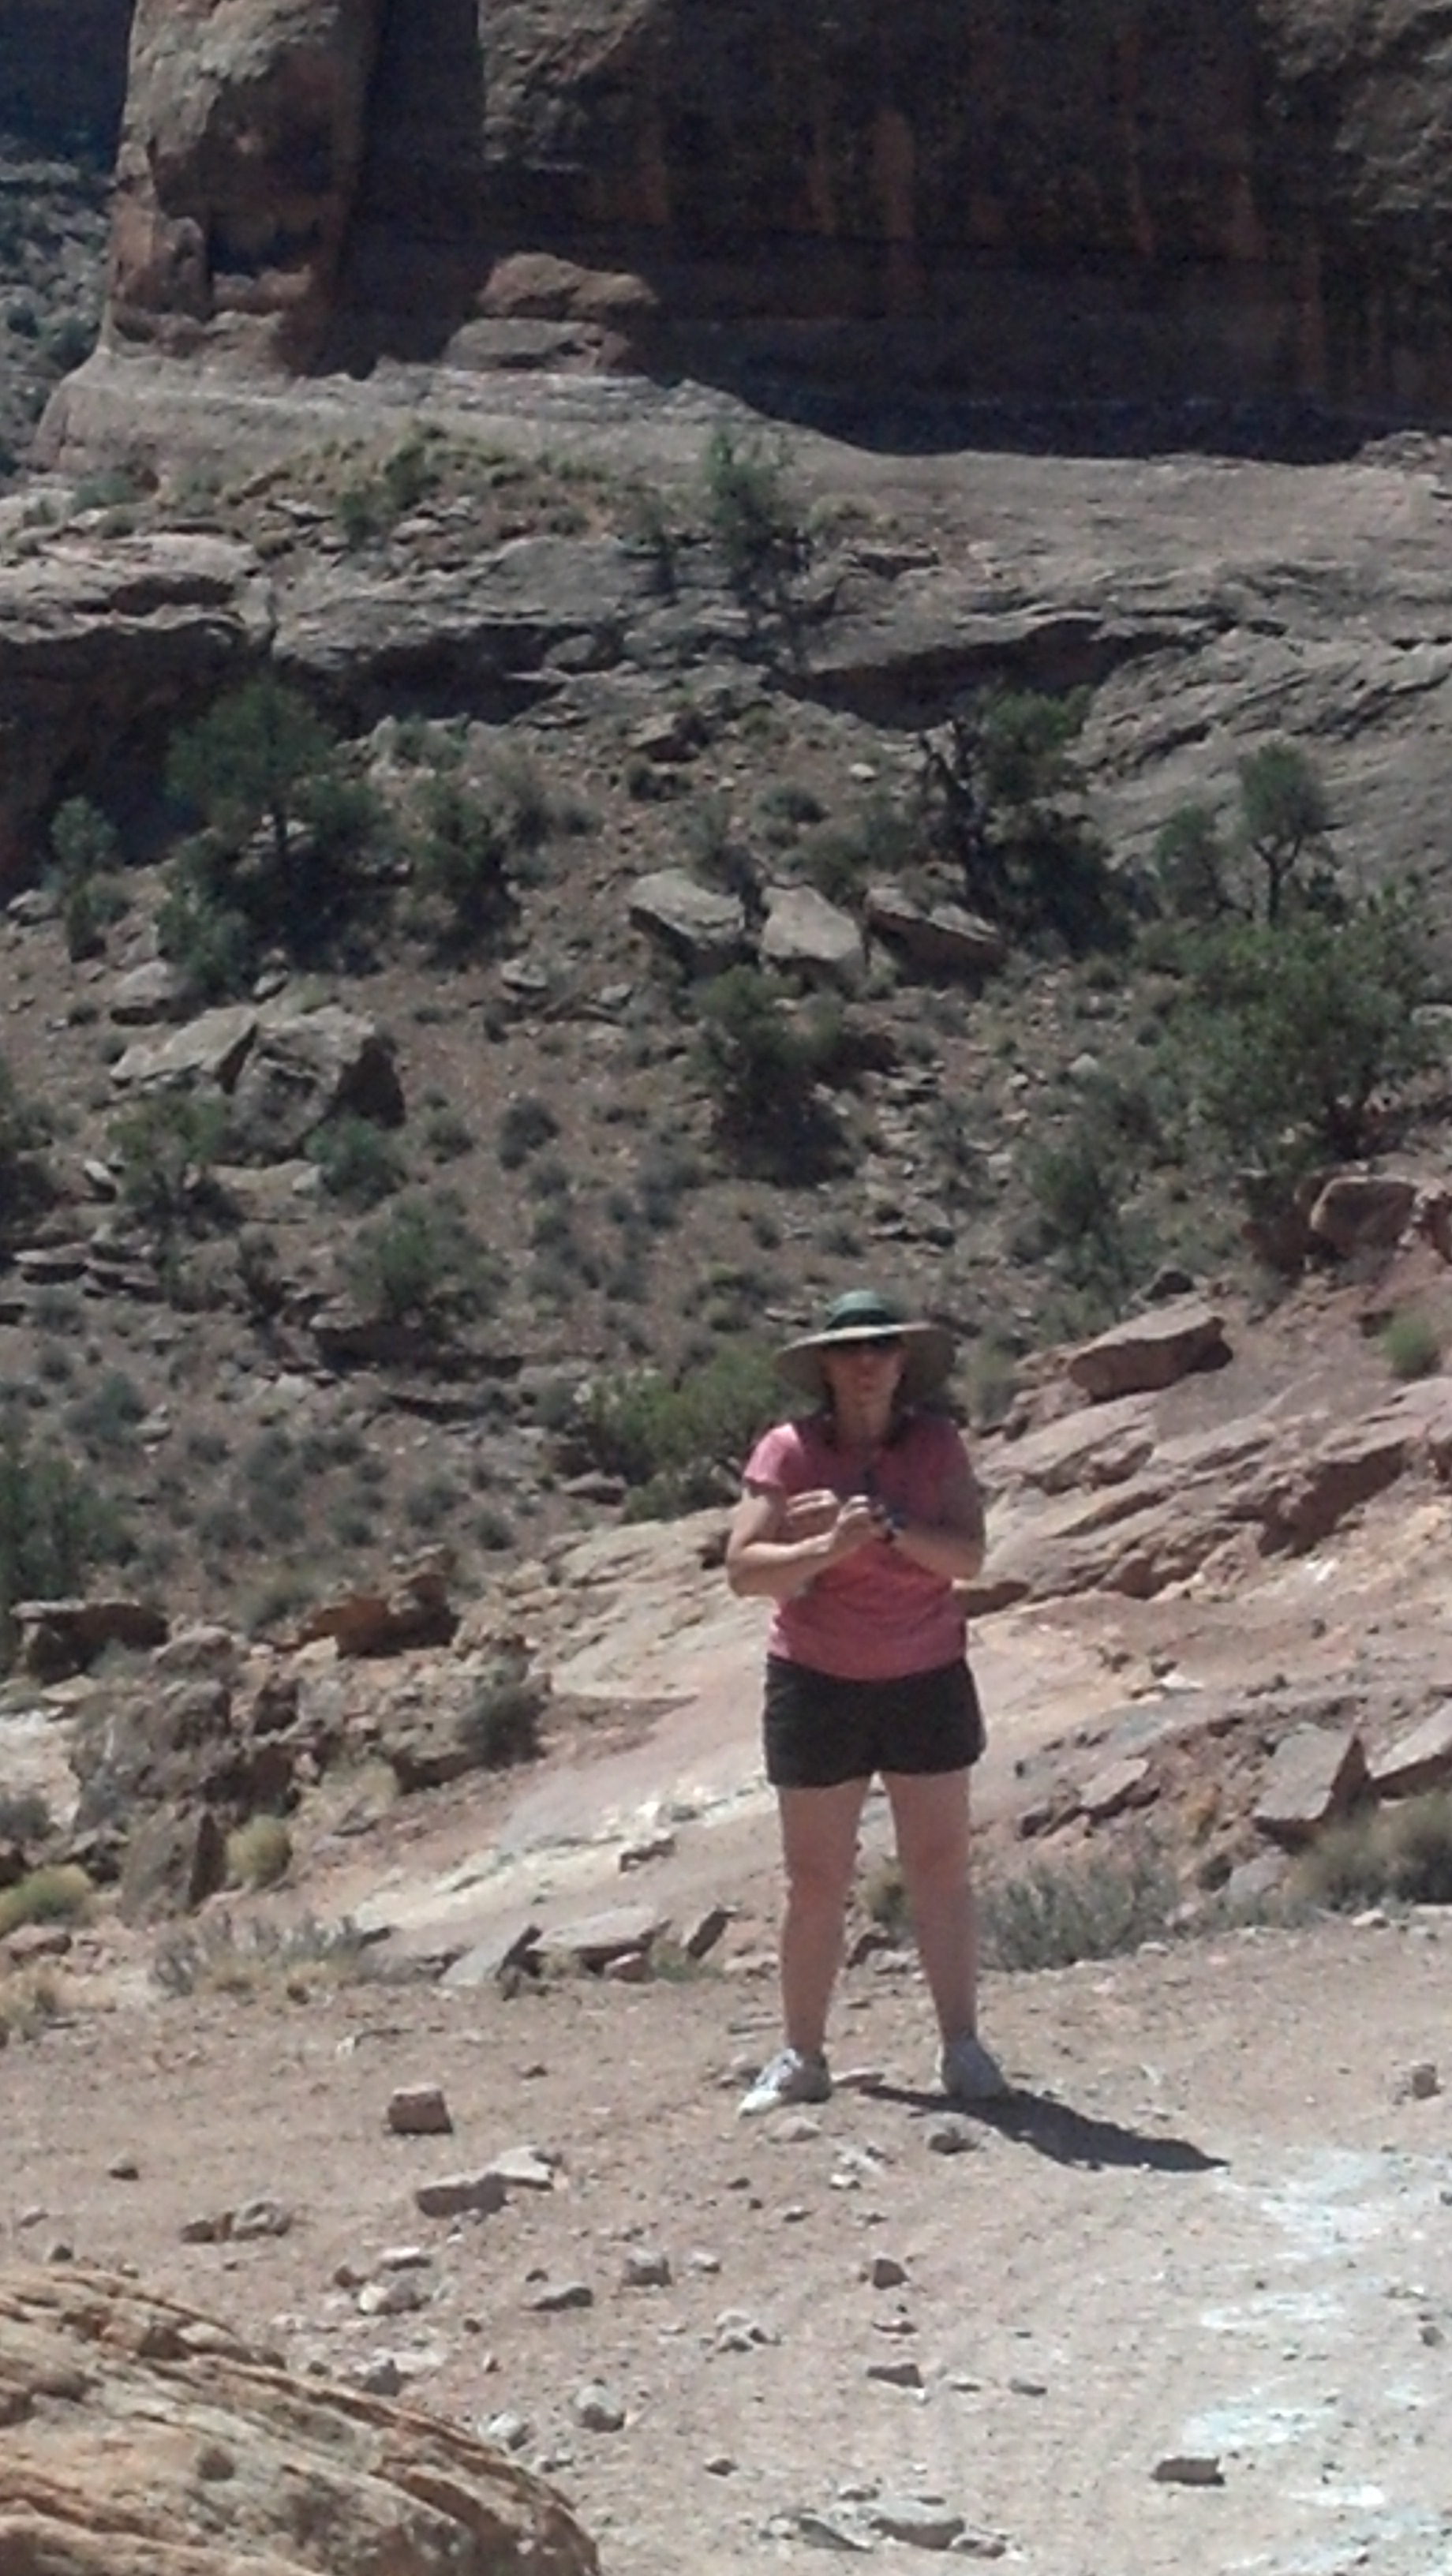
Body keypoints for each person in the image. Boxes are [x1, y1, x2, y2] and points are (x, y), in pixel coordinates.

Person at [725, 1286, 1007, 2116]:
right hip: (817, 1680)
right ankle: (801, 2055)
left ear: (902, 1362)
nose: (865, 1364)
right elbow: (743, 1569)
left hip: (925, 1673)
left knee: (939, 1865)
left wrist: (890, 1529)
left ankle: (962, 2047)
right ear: (825, 1366)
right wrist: (827, 1545)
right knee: (816, 1878)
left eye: (880, 1347)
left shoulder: (936, 1444)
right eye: (849, 1350)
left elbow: (967, 1557)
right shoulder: (785, 1452)